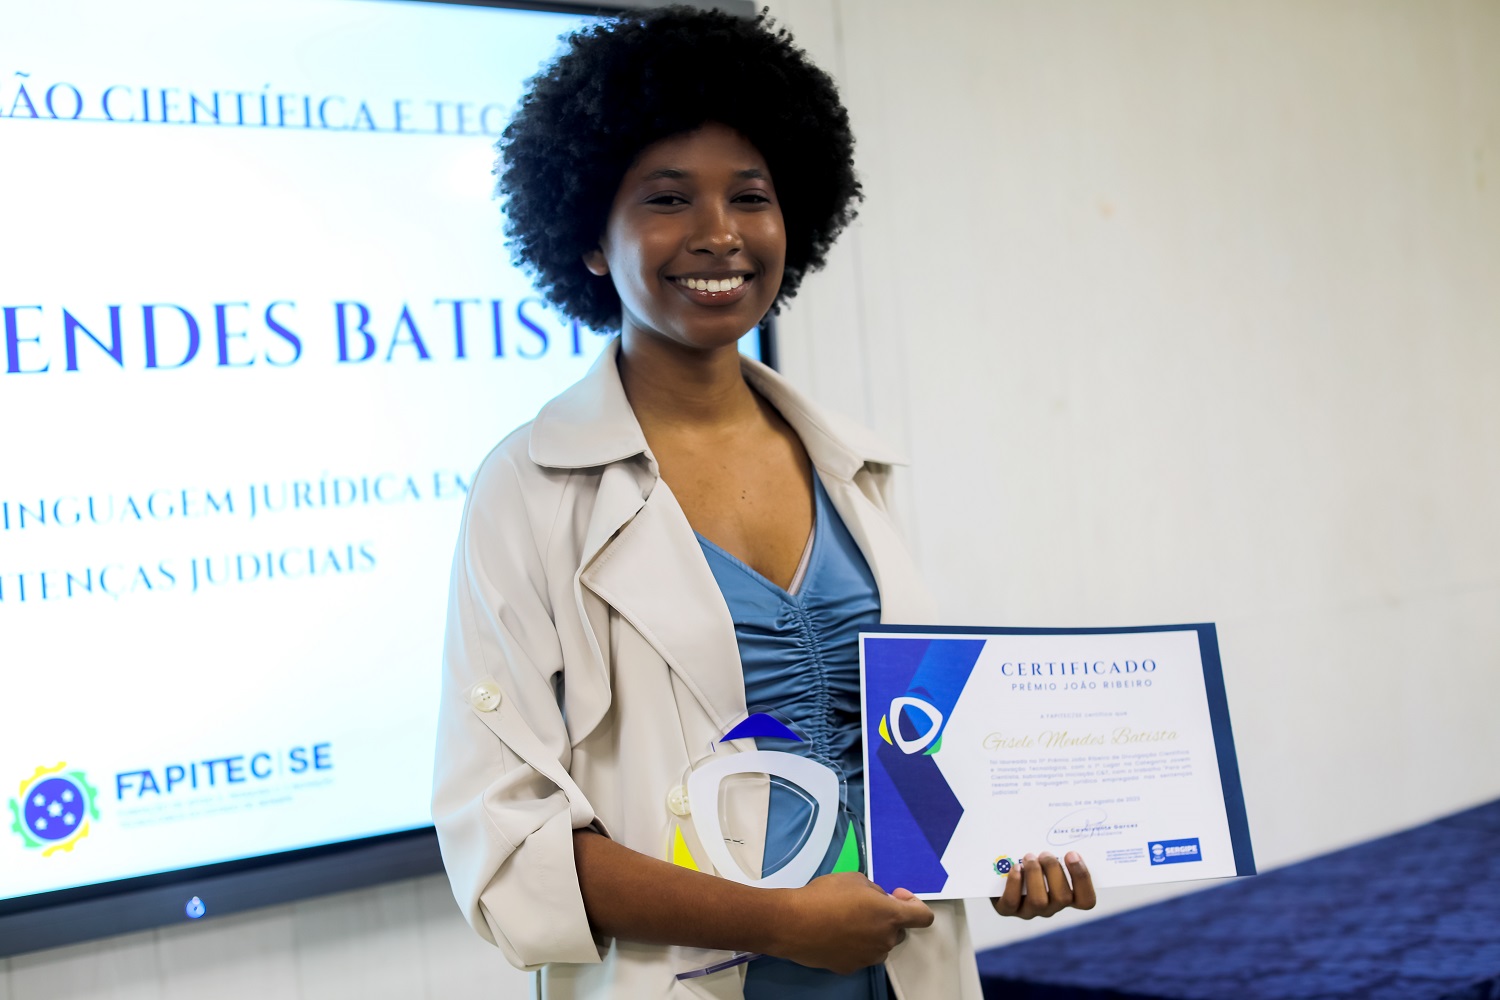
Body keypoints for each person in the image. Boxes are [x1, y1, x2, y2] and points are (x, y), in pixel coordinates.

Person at [431, 8, 1095, 998]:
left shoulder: (852, 467)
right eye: (667, 199)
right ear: (590, 239)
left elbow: (914, 755)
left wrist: (1005, 857)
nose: (719, 234)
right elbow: (505, 834)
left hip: (901, 971)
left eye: (751, 196)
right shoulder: (529, 491)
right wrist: (778, 921)